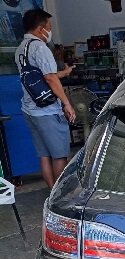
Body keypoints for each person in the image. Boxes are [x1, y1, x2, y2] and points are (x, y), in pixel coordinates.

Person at [15, 9, 76, 189]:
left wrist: (63, 73)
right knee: (59, 155)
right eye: (49, 27)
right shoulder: (40, 47)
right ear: (41, 28)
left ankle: (51, 193)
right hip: (47, 111)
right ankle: (60, 196)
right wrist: (67, 103)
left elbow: (41, 76)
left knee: (44, 155)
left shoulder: (21, 48)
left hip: (30, 110)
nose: (50, 31)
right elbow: (49, 78)